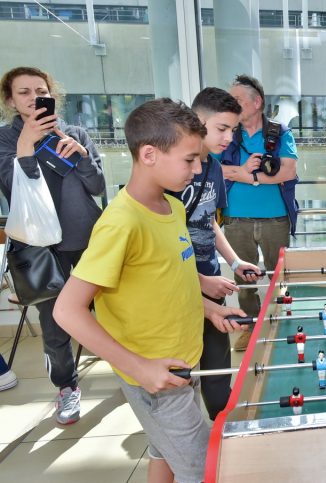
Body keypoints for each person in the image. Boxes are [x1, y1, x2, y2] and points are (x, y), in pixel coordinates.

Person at [53, 98, 246, 483]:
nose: (198, 168)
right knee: (208, 468)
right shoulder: (121, 222)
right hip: (153, 375)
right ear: (149, 154)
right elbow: (67, 310)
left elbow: (170, 273)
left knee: (164, 452)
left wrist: (208, 307)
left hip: (180, 362)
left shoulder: (172, 207)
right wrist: (138, 367)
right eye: (189, 160)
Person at [0, 66, 106, 425]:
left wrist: (83, 157)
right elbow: (13, 188)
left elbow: (97, 186)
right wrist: (26, 144)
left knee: (115, 307)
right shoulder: (6, 139)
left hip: (90, 236)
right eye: (24, 92)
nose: (33, 98)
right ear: (10, 100)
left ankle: (131, 367)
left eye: (39, 91)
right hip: (43, 247)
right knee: (54, 320)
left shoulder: (74, 132)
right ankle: (66, 387)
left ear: (52, 95)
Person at [166, 87, 261, 420]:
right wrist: (198, 280)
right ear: (198, 122)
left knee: (217, 368)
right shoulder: (171, 174)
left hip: (208, 279)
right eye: (222, 128)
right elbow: (157, 249)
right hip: (175, 287)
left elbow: (209, 221)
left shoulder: (215, 169)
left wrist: (234, 261)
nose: (228, 137)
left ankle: (223, 430)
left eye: (233, 130)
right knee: (181, 374)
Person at [220, 74, 299, 351]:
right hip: (235, 218)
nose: (232, 104)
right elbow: (212, 169)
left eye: (237, 100)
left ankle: (281, 324)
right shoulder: (226, 134)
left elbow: (289, 171)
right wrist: (241, 172)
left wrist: (247, 177)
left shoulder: (279, 133)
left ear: (257, 102)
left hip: (275, 218)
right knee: (244, 279)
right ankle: (250, 327)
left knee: (280, 276)